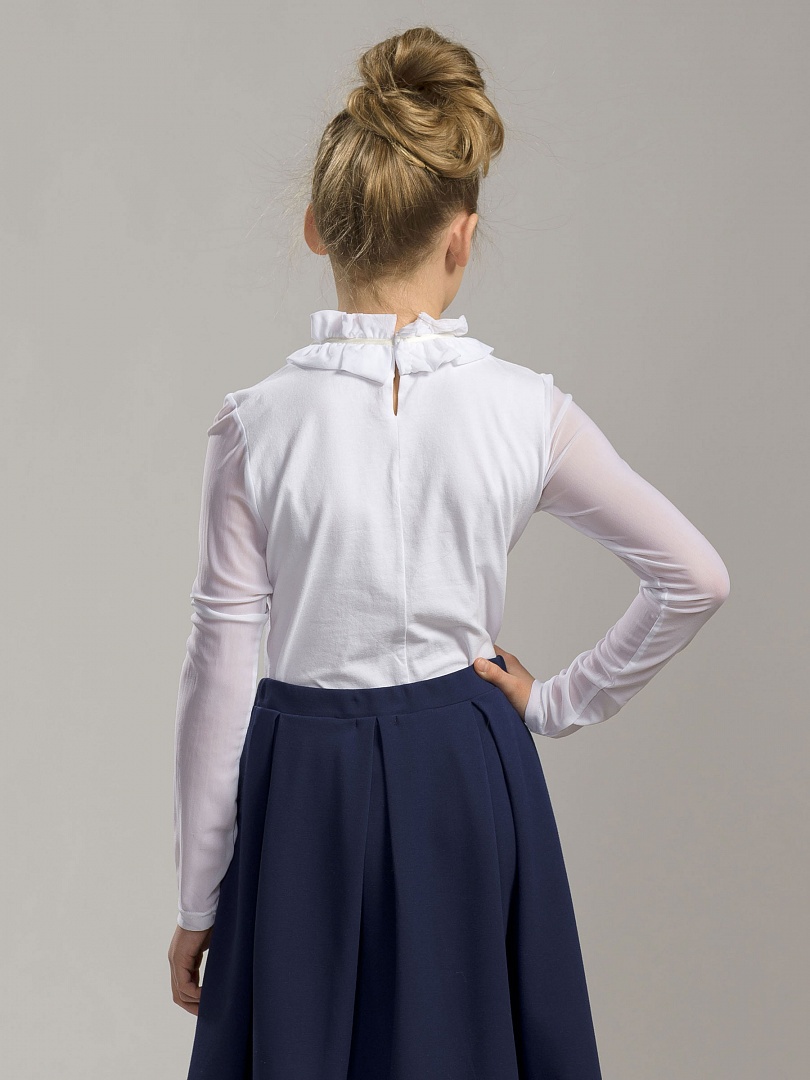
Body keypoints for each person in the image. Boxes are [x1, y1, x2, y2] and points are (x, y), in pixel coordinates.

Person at [167, 25, 730, 1080]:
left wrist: (201, 897)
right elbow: (695, 577)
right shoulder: (527, 411)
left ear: (316, 227)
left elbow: (219, 675)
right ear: (462, 239)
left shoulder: (253, 427)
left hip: (303, 787)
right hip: (468, 772)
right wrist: (556, 701)